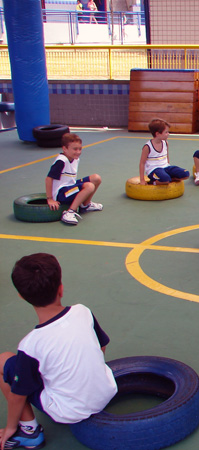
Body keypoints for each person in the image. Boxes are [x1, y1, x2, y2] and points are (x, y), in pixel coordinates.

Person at [0, 253, 117, 450]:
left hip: (68, 412)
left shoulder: (30, 345)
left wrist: (10, 426)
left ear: (22, 296)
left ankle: (29, 431)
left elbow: (19, 395)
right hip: (106, 391)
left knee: (3, 360)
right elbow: (101, 346)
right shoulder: (83, 311)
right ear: (61, 288)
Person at [45, 133, 103, 226]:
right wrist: (50, 199)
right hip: (61, 193)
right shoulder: (61, 161)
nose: (78, 152)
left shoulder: (75, 159)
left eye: (80, 149)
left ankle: (85, 205)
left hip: (70, 187)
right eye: (75, 149)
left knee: (96, 178)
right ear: (64, 149)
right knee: (89, 186)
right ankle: (70, 212)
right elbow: (48, 179)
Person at [139, 118, 189, 187]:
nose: (168, 134)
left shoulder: (165, 143)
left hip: (166, 167)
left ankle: (167, 179)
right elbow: (142, 163)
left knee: (186, 174)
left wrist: (169, 168)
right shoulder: (147, 147)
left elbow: (167, 157)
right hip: (154, 170)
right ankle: (153, 182)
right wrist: (142, 180)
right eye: (166, 132)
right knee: (165, 179)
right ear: (157, 134)